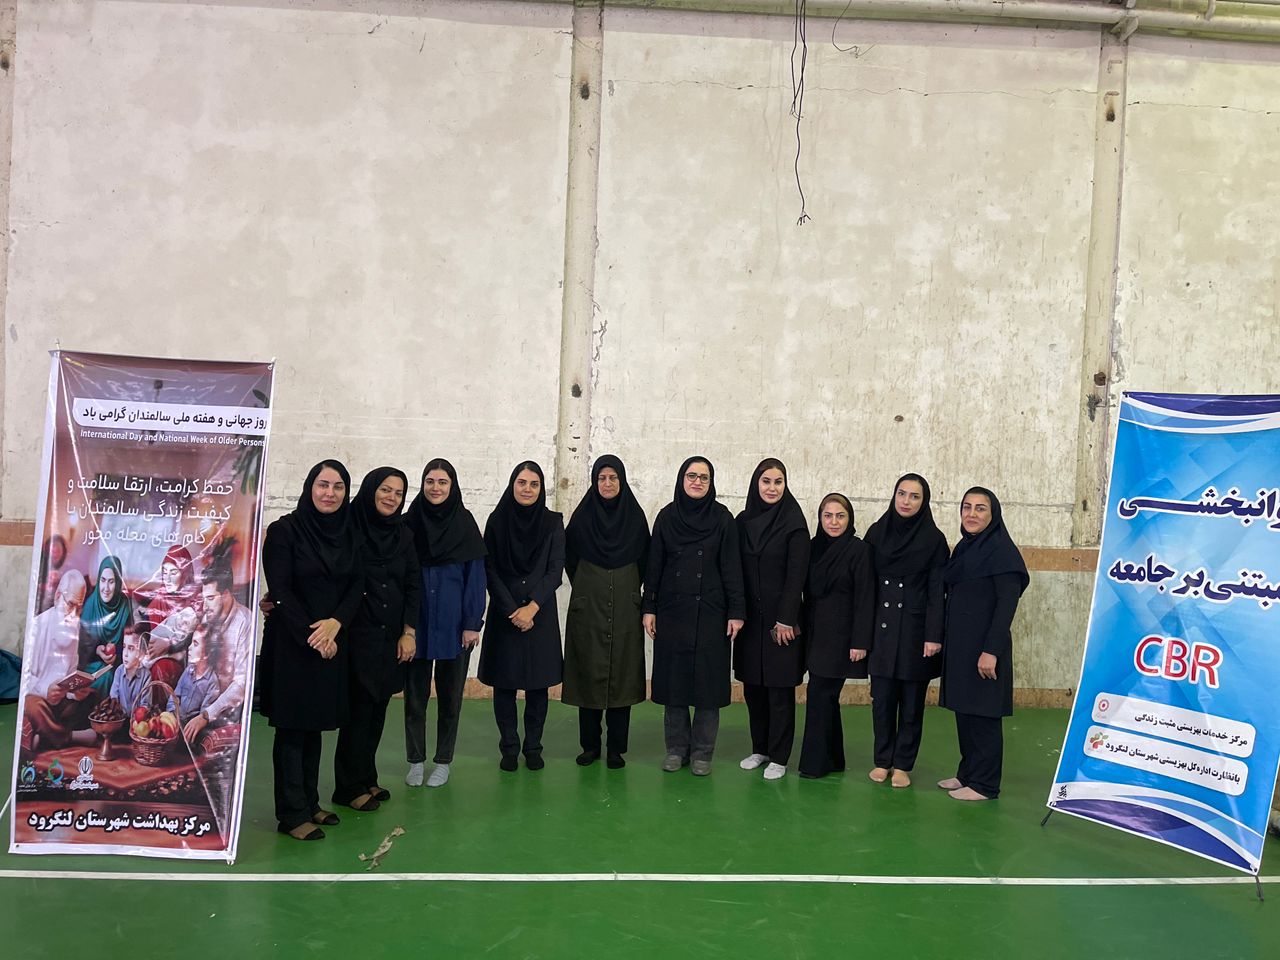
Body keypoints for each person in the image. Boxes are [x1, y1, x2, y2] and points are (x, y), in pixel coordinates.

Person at [260, 460, 364, 840]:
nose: (329, 493)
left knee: (314, 725)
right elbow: (281, 590)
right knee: (292, 728)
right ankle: (291, 814)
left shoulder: (350, 533)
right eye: (323, 484)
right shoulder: (284, 531)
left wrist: (337, 623)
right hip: (293, 644)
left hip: (331, 640)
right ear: (309, 487)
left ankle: (310, 801)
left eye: (338, 487)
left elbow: (357, 585)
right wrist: (314, 636)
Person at [643, 456, 745, 776]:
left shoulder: (723, 519)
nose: (697, 482)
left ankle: (703, 752)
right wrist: (649, 607)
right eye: (692, 476)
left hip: (712, 613)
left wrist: (736, 612)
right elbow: (654, 566)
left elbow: (732, 568)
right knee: (674, 686)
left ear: (711, 483)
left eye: (704, 477)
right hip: (672, 612)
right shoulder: (667, 517)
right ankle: (676, 749)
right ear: (681, 479)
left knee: (707, 688)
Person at [333, 466, 419, 809]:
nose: (391, 498)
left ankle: (367, 777)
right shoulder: (348, 527)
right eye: (385, 490)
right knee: (358, 710)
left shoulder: (403, 534)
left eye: (398, 493)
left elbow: (412, 584)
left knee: (378, 708)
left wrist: (409, 632)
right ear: (371, 490)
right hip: (356, 636)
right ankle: (347, 787)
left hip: (389, 636)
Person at [938, 487, 1029, 801]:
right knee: (965, 711)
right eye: (967, 507)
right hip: (962, 645)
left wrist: (991, 651)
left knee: (984, 715)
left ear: (993, 515)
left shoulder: (1002, 552)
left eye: (980, 508)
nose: (972, 514)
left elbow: (1006, 606)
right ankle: (968, 774)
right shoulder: (966, 548)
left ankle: (985, 785)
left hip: (986, 647)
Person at [402, 458, 487, 788]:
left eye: (442, 482)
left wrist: (472, 623)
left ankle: (443, 761)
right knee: (415, 698)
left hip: (455, 626)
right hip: (416, 625)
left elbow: (475, 578)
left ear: (453, 486)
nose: (435, 488)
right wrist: (404, 627)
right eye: (430, 481)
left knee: (451, 699)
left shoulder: (465, 524)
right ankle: (415, 760)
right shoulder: (409, 523)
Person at [563, 454, 650, 768]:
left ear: (622, 481)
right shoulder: (582, 519)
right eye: (602, 478)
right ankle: (589, 746)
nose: (608, 483)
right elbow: (569, 559)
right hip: (588, 607)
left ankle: (616, 748)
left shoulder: (635, 519)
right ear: (594, 481)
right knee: (587, 674)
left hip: (626, 607)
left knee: (622, 677)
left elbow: (646, 561)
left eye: (613, 478)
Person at [862, 473, 948, 788]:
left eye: (914, 496)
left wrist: (933, 635)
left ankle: (903, 765)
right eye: (902, 494)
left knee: (912, 704)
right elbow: (866, 587)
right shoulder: (876, 533)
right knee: (882, 700)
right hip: (882, 631)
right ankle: (882, 760)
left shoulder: (934, 540)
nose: (906, 501)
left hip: (916, 632)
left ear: (924, 502)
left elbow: (937, 590)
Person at [478, 461, 565, 772]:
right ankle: (509, 747)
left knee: (537, 685)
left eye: (534, 484)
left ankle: (533, 747)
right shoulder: (496, 521)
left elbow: (555, 570)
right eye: (522, 482)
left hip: (539, 613)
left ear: (541, 489)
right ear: (512, 484)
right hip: (506, 614)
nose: (527, 489)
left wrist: (532, 607)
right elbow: (489, 569)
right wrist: (512, 609)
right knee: (504, 684)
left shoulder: (553, 523)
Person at [735, 458, 810, 780]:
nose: (772, 488)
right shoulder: (742, 521)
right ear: (756, 484)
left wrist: (786, 619)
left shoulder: (794, 523)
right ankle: (760, 749)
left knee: (779, 692)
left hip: (782, 624)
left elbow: (797, 576)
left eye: (778, 482)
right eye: (766, 481)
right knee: (753, 688)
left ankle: (779, 756)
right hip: (750, 621)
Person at [797, 493, 874, 779]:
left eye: (840, 516)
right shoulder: (812, 548)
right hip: (814, 634)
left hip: (841, 638)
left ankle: (814, 765)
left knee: (819, 695)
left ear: (849, 518)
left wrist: (860, 642)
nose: (834, 522)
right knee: (827, 698)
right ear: (820, 518)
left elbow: (865, 598)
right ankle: (833, 759)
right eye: (827, 516)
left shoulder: (859, 551)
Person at [186, 558, 257, 743]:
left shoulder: (245, 622)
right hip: (199, 702)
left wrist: (206, 715)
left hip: (224, 710)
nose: (204, 606)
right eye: (204, 599)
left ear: (226, 594)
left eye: (210, 598)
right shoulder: (206, 616)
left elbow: (241, 683)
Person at [21, 569, 89, 752]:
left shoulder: (74, 627)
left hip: (62, 702)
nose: (74, 614)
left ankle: (43, 735)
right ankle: (69, 737)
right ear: (58, 596)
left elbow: (71, 672)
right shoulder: (37, 626)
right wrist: (46, 690)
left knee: (93, 697)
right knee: (32, 707)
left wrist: (76, 692)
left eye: (79, 607)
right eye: (71, 604)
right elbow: (24, 677)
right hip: (39, 699)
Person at [78, 555, 132, 697]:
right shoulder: (91, 604)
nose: (106, 588)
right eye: (102, 580)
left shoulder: (124, 605)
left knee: (114, 676)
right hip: (90, 665)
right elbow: (80, 648)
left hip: (119, 664)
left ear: (118, 582)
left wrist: (116, 653)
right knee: (106, 677)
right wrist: (97, 650)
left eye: (111, 582)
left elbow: (130, 641)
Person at [141, 545, 198, 634]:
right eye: (164, 573)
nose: (167, 579)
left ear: (185, 573)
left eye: (173, 573)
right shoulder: (156, 605)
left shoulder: (197, 603)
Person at [108, 624, 152, 716]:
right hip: (119, 718)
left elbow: (145, 704)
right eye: (124, 647)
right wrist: (114, 701)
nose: (125, 654)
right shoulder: (119, 671)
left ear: (142, 653)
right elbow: (114, 694)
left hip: (137, 721)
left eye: (131, 649)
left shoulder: (146, 675)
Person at [36, 534, 68, 614]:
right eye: (53, 548)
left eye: (58, 552)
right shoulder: (38, 565)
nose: (54, 553)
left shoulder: (59, 577)